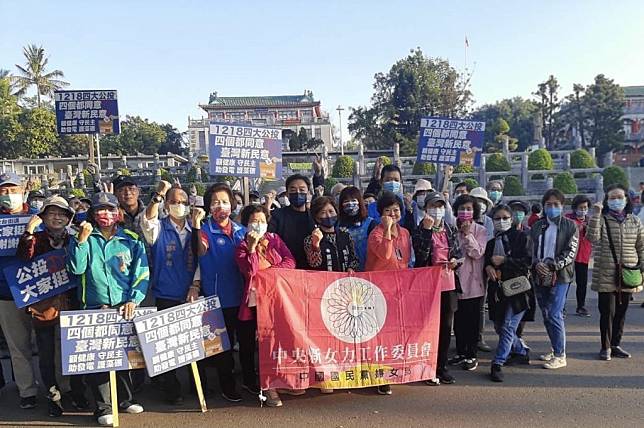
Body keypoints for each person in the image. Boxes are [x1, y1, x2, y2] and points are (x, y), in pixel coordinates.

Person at [66, 192, 149, 426]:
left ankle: (125, 399)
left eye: (111, 209)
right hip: (94, 307)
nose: (106, 214)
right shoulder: (83, 237)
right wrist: (81, 241)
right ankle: (103, 407)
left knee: (123, 355)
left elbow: (141, 272)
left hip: (124, 307)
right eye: (100, 209)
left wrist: (134, 299)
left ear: (118, 212)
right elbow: (76, 268)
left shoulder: (131, 238)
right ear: (92, 213)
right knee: (99, 358)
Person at [17, 196, 88, 416]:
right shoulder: (36, 239)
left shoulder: (76, 237)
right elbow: (24, 258)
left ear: (68, 218)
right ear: (43, 217)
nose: (56, 218)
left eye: (61, 214)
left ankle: (76, 392)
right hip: (44, 305)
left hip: (72, 301)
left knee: (74, 350)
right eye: (51, 213)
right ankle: (53, 395)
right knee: (46, 353)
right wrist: (29, 231)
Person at [191, 183, 250, 402]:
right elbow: (200, 250)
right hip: (218, 298)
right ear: (208, 206)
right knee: (223, 346)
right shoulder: (205, 230)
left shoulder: (241, 231)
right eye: (215, 202)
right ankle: (227, 385)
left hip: (243, 297)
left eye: (224, 201)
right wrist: (196, 226)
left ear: (232, 204)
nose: (220, 206)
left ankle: (249, 379)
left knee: (245, 342)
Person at [140, 180, 197, 405]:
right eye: (174, 202)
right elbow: (147, 220)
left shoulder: (195, 228)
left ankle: (197, 385)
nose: (179, 206)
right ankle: (170, 388)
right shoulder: (159, 227)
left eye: (183, 202)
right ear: (166, 205)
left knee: (192, 342)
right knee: (167, 344)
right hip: (166, 292)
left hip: (192, 292)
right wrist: (159, 195)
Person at [235, 204, 296, 407]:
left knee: (279, 342)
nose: (259, 225)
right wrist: (252, 248)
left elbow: (290, 261)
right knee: (263, 345)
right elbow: (250, 272)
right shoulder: (242, 247)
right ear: (246, 223)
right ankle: (268, 387)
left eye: (262, 221)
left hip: (277, 300)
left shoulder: (274, 240)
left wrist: (270, 272)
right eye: (254, 221)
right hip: (255, 305)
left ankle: (281, 380)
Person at [365, 191, 415, 395]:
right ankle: (379, 374)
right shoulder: (376, 233)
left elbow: (405, 259)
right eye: (388, 211)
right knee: (380, 334)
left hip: (398, 289)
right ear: (380, 214)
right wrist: (387, 229)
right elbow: (385, 255)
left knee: (396, 331)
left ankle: (393, 369)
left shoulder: (405, 233)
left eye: (396, 210)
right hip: (378, 289)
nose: (393, 214)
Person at [586, 184, 643, 360]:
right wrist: (596, 214)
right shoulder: (601, 219)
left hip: (629, 273)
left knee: (622, 311)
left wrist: (641, 267)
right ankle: (605, 347)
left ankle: (616, 344)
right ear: (606, 201)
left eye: (619, 197)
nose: (616, 201)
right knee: (607, 311)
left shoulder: (634, 220)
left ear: (626, 199)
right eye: (612, 198)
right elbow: (591, 237)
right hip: (606, 273)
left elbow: (641, 246)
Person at [412, 191, 461, 386]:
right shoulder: (419, 229)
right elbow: (420, 256)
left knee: (445, 327)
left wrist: (455, 261)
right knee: (427, 326)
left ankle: (442, 366)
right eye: (433, 206)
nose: (437, 210)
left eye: (440, 206)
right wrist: (425, 230)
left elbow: (456, 251)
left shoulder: (449, 229)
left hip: (448, 283)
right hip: (428, 285)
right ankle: (426, 366)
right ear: (426, 209)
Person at [0, 172, 40, 410]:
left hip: (39, 290)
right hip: (6, 292)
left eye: (13, 190)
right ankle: (27, 390)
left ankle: (60, 388)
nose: (9, 195)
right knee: (18, 345)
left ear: (23, 191)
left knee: (49, 343)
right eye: (4, 191)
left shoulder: (36, 217)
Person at [529, 189, 579, 370]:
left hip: (561, 276)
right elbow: (531, 249)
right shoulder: (537, 226)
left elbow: (570, 253)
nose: (552, 208)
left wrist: (552, 265)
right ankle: (554, 347)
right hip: (539, 275)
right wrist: (536, 265)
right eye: (548, 204)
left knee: (555, 313)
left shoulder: (570, 226)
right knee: (546, 314)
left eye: (556, 204)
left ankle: (560, 355)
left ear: (562, 206)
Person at [485, 204, 533, 382]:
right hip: (498, 291)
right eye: (497, 218)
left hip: (517, 289)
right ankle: (520, 350)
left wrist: (505, 260)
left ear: (511, 219)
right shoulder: (491, 242)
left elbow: (527, 262)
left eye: (505, 218)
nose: (501, 221)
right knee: (499, 326)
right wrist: (489, 266)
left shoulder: (521, 237)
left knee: (507, 326)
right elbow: (485, 261)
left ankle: (498, 363)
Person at [448, 195, 487, 372]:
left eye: (469, 209)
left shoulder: (480, 230)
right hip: (456, 282)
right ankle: (461, 352)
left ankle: (472, 354)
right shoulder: (451, 230)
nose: (465, 212)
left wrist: (467, 234)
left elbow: (477, 253)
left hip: (474, 282)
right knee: (459, 321)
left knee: (472, 321)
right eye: (462, 208)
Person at [268, 174, 315, 269]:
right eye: (293, 190)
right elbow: (270, 240)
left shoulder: (314, 216)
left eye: (302, 190)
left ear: (308, 193)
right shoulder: (277, 215)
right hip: (284, 269)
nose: (298, 193)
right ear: (287, 194)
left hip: (310, 271)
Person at [304, 196, 359, 273]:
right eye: (323, 212)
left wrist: (351, 268)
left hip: (344, 281)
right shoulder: (310, 239)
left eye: (331, 211)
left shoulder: (346, 235)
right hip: (323, 282)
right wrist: (315, 245)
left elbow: (354, 259)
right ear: (317, 217)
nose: (328, 215)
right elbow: (314, 264)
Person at [366, 164, 416, 233]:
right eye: (388, 180)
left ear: (401, 182)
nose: (393, 183)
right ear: (381, 182)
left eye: (396, 180)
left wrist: (409, 210)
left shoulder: (409, 205)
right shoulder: (372, 207)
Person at [337, 186, 376, 271]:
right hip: (346, 273)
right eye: (346, 201)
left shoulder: (371, 224)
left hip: (368, 271)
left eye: (353, 200)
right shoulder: (337, 225)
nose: (350, 204)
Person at [566, 195, 593, 317]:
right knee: (566, 282)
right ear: (575, 208)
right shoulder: (568, 219)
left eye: (585, 207)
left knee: (582, 283)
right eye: (580, 207)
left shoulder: (590, 221)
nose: (583, 210)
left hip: (583, 256)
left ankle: (581, 306)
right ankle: (561, 307)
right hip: (569, 255)